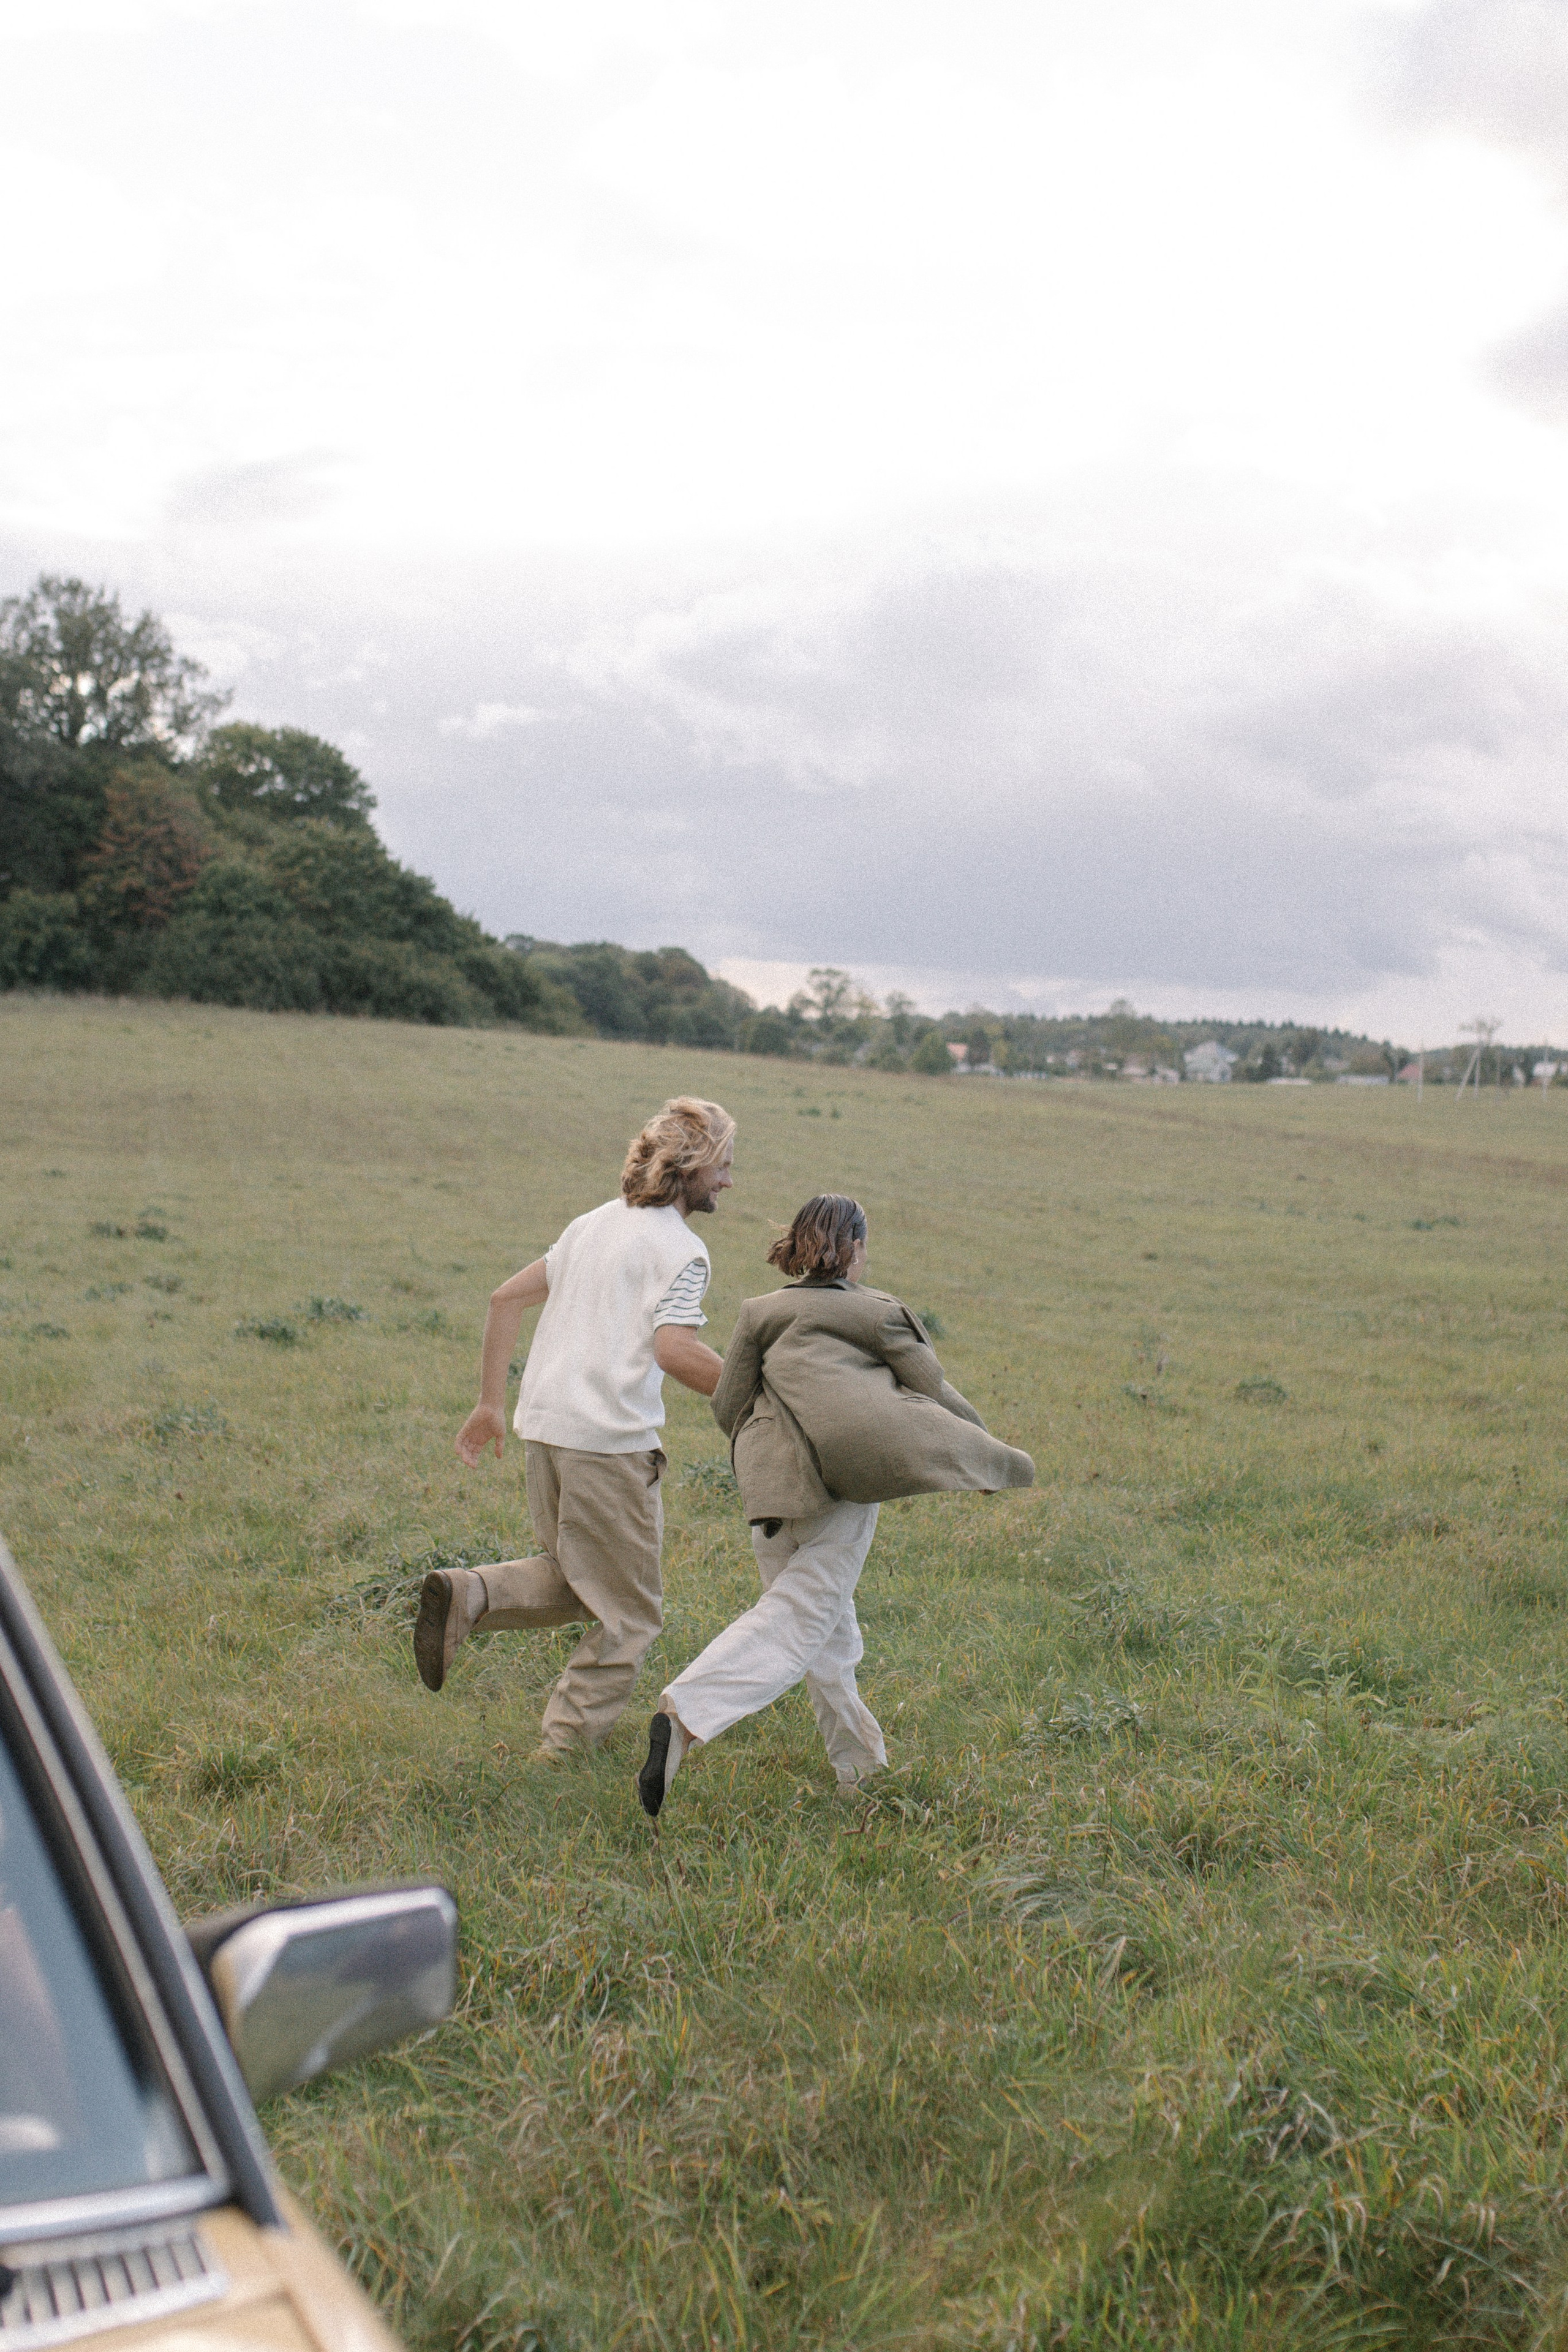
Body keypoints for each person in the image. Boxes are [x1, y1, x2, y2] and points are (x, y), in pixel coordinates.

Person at [636, 1193, 1033, 1816]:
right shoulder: (877, 1313)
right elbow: (933, 1391)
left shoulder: (758, 1312)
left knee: (829, 1637)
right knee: (796, 1622)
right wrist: (985, 1453)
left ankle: (862, 1772)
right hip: (841, 1492)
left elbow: (728, 1403)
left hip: (767, 1492)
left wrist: (773, 1448)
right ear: (854, 1250)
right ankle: (687, 1713)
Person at [415, 1095, 734, 1760]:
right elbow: (675, 1350)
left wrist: (488, 1404)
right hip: (611, 1445)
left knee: (576, 1577)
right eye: (722, 1167)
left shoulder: (592, 1224)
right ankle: (563, 1750)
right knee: (631, 1613)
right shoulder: (682, 1250)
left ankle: (471, 1593)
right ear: (691, 1168)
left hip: (548, 1433)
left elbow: (505, 1298)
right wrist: (755, 1394)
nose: (728, 1182)